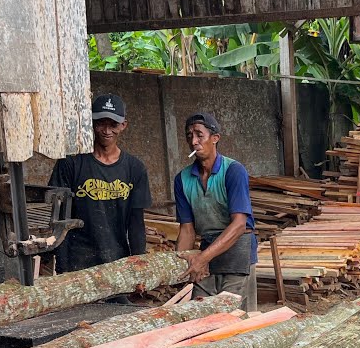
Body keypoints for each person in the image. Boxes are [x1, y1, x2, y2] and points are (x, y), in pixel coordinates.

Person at [50, 93, 152, 273]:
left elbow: (136, 224)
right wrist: (61, 265)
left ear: (123, 125)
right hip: (77, 262)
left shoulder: (135, 169)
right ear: (91, 123)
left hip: (116, 262)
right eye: (101, 123)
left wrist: (138, 264)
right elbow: (58, 218)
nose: (107, 131)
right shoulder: (70, 163)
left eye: (113, 124)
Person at [173, 112, 258, 310]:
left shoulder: (233, 171)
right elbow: (187, 229)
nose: (193, 141)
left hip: (238, 250)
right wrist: (181, 263)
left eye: (199, 135)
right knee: (200, 312)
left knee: (233, 318)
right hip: (208, 247)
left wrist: (202, 258)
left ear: (215, 138)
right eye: (189, 136)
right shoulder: (182, 179)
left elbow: (238, 225)